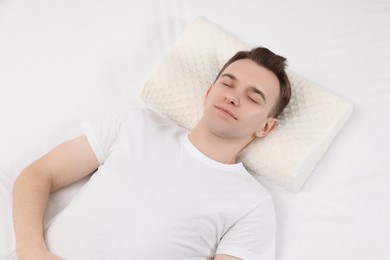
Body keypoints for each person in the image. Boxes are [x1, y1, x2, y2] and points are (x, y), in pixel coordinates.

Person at [12, 46, 291, 260]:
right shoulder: (139, 125)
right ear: (208, 92)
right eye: (227, 84)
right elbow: (38, 174)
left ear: (266, 127)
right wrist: (32, 252)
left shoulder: (252, 204)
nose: (232, 96)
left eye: (253, 98)